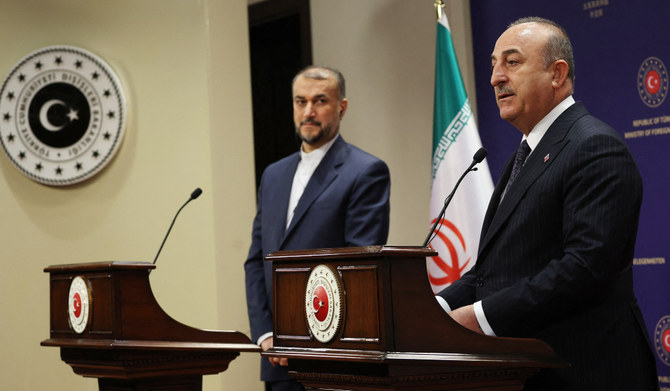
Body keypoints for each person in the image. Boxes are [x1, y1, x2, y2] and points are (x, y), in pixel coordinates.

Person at [436, 17, 658, 390]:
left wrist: (481, 316)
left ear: (557, 74)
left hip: (586, 372)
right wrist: (435, 311)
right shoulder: (525, 153)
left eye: (512, 62)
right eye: (493, 64)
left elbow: (584, 268)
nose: (495, 78)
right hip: (531, 372)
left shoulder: (594, 147)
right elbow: (495, 269)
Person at [244, 65, 391, 391]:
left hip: (331, 357)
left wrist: (306, 336)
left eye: (320, 101)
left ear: (342, 107)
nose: (308, 111)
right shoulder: (273, 175)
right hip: (276, 358)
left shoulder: (366, 171)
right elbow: (257, 261)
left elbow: (357, 266)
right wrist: (265, 333)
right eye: (300, 102)